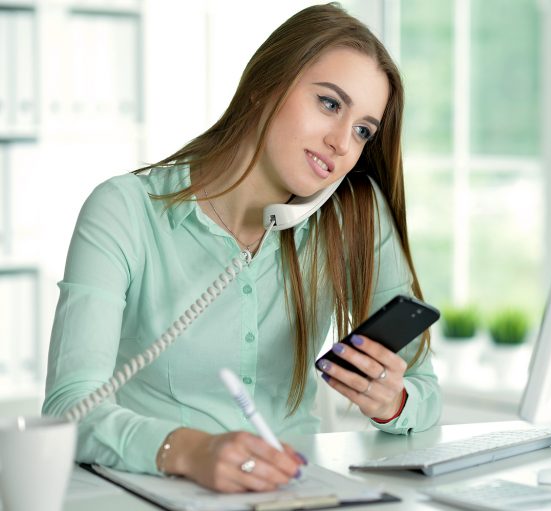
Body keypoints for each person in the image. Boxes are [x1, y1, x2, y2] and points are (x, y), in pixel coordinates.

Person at [42, 2, 441, 493]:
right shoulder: (124, 209)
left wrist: (393, 402)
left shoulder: (354, 212)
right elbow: (68, 407)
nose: (342, 141)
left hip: (297, 489)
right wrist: (188, 450)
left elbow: (424, 388)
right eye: (330, 104)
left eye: (362, 130)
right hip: (152, 490)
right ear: (264, 86)